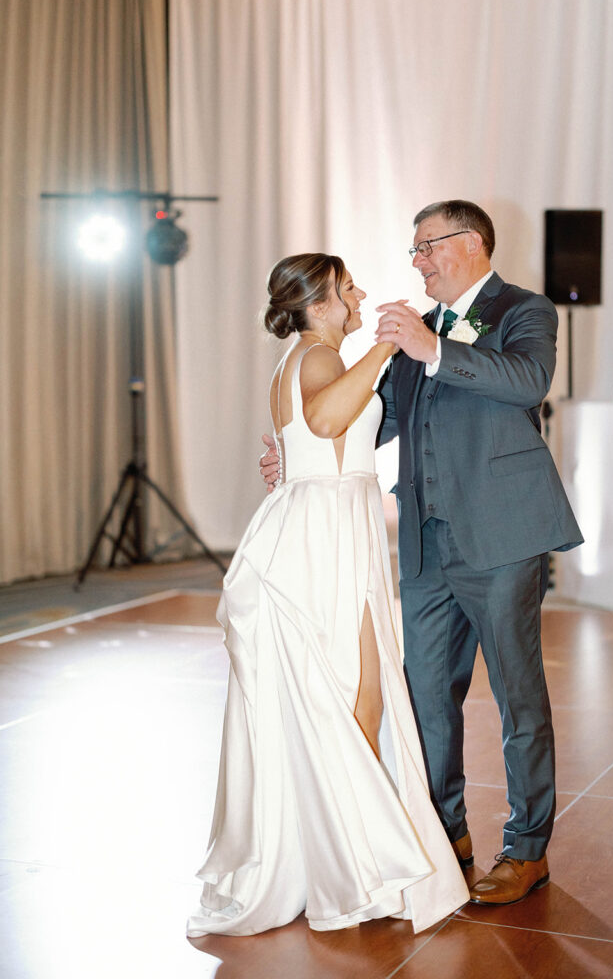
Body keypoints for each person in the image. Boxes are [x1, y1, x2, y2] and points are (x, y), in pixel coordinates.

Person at [261, 202, 583, 907]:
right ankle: (445, 834)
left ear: (468, 243)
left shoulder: (523, 310)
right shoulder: (419, 328)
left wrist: (434, 351)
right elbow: (387, 418)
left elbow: (526, 383)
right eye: (414, 251)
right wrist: (301, 456)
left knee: (516, 695)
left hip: (501, 537)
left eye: (425, 248)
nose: (415, 262)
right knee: (425, 696)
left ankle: (527, 850)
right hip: (423, 540)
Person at [187, 253, 470, 939]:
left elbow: (313, 436)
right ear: (319, 306)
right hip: (322, 541)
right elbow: (321, 423)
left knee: (349, 695)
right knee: (354, 696)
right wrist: (383, 343)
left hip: (329, 527)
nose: (360, 296)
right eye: (349, 291)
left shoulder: (305, 357)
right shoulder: (315, 356)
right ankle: (355, 863)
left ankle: (342, 855)